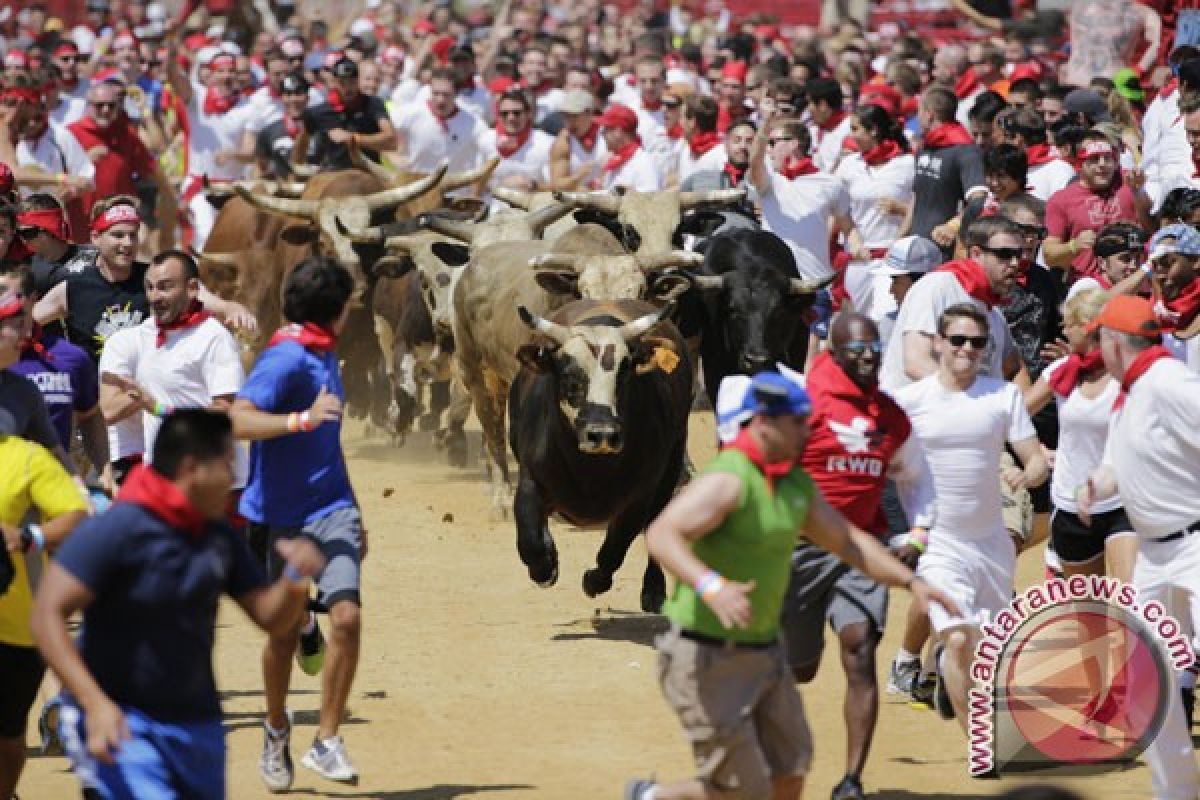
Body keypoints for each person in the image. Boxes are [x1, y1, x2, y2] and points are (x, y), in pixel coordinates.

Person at [624, 371, 957, 800]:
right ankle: (653, 797)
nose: (809, 430)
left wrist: (912, 582)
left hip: (764, 655)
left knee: (790, 772)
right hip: (706, 655)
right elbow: (662, 535)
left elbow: (850, 542)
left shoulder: (794, 484)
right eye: (798, 422)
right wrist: (712, 587)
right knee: (744, 789)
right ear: (764, 423)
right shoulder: (731, 479)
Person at [30, 410, 326, 800]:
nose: (235, 477)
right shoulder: (116, 530)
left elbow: (269, 619)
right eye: (226, 464)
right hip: (123, 723)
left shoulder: (217, 533)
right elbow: (47, 614)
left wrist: (293, 579)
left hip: (198, 726)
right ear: (191, 469)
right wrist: (94, 704)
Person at [777, 315, 935, 800]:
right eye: (857, 348)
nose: (868, 355)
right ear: (833, 351)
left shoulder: (890, 415)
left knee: (860, 650)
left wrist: (919, 534)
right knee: (798, 668)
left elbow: (917, 478)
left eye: (874, 346)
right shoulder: (802, 406)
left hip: (861, 547)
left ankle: (851, 781)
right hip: (799, 549)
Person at [230, 256, 367, 789]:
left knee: (348, 619)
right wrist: (298, 420)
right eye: (349, 304)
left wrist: (355, 507)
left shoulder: (324, 351)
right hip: (278, 519)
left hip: (332, 509)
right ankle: (276, 725)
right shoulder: (286, 358)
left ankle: (327, 741)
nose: (353, 311)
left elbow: (327, 444)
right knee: (284, 635)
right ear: (331, 311)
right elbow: (238, 419)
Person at [894, 303, 1047, 726]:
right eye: (957, 340)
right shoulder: (908, 401)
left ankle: (941, 673)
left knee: (985, 647)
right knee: (959, 637)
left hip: (992, 544)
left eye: (977, 343)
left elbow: (1032, 458)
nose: (967, 349)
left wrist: (1030, 473)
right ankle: (980, 743)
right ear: (938, 343)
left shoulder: (1003, 395)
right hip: (939, 541)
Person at [1079, 295, 1200, 800]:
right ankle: (1176, 794)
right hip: (1154, 555)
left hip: (1195, 542)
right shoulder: (1130, 391)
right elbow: (1116, 466)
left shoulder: (1168, 381)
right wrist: (1096, 486)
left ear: (1112, 341)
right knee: (1149, 684)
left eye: (1097, 340)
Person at [0, 405, 88, 800]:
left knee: (7, 735)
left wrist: (27, 537)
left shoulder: (26, 458)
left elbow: (75, 515)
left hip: (16, 629)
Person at [1022, 289, 1136, 582]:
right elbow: (1017, 415)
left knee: (1135, 600)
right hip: (1070, 499)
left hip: (1121, 499)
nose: (1062, 331)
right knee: (1088, 616)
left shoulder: (1126, 369)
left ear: (1086, 326)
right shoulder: (1061, 372)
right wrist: (1036, 451)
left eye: (1066, 324)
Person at [880, 215, 1025, 392]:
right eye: (1004, 254)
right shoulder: (937, 287)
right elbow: (916, 362)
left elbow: (1011, 368)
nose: (1015, 263)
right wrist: (968, 402)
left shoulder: (993, 314)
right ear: (976, 254)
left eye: (1018, 255)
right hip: (915, 416)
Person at [1, 261, 108, 484]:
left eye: (13, 298)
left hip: (50, 490)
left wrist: (105, 473)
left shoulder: (70, 359)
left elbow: (89, 417)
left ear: (33, 300)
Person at [749, 116, 856, 281]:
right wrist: (764, 127)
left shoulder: (831, 183)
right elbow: (754, 163)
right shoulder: (770, 181)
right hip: (773, 286)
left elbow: (848, 227)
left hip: (815, 283)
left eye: (772, 143)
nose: (768, 150)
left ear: (793, 144)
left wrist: (858, 249)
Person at [836, 103, 915, 319]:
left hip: (892, 258)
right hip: (859, 259)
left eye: (855, 129)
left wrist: (901, 209)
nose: (850, 136)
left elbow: (923, 206)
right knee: (857, 322)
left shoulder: (907, 164)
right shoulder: (849, 166)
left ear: (873, 131)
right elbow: (836, 208)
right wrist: (852, 241)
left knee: (885, 318)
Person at [1044, 132, 1153, 283]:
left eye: (1107, 158)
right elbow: (1049, 255)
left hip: (1135, 282)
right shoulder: (1062, 200)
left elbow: (1152, 229)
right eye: (1094, 159)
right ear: (1079, 164)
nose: (1102, 164)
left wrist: (1139, 192)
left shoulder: (1130, 182)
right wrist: (1073, 246)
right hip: (1089, 289)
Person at [908, 87, 987, 254]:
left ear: (929, 114)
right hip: (916, 247)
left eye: (919, 111)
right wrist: (901, 237)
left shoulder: (966, 151)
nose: (917, 117)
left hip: (946, 250)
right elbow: (916, 199)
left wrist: (953, 226)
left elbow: (980, 199)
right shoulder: (926, 147)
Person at [303, 57, 397, 172]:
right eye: (342, 83)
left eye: (352, 82)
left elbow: (391, 140)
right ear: (334, 82)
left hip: (369, 173)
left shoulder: (373, 104)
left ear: (358, 81)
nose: (348, 88)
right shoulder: (318, 113)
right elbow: (305, 147)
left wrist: (355, 139)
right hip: (332, 175)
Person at [391, 66, 486, 176]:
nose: (440, 100)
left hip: (452, 191)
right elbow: (375, 130)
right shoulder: (411, 113)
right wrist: (392, 156)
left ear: (457, 93)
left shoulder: (473, 124)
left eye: (446, 95)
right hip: (417, 187)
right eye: (436, 93)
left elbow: (493, 153)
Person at [481, 87, 554, 192]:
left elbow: (555, 186)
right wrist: (500, 184)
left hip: (532, 204)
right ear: (498, 115)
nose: (511, 118)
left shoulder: (546, 142)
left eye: (517, 113)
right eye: (504, 113)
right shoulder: (485, 140)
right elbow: (476, 185)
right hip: (495, 205)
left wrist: (534, 185)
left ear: (528, 113)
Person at [594, 103, 662, 191]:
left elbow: (650, 201)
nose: (603, 134)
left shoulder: (643, 162)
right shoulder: (615, 161)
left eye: (606, 129)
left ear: (618, 131)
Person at [547, 89, 606, 190]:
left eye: (574, 116)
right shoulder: (563, 142)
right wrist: (578, 176)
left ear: (589, 112)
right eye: (566, 116)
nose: (569, 122)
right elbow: (557, 184)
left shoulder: (607, 134)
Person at [806, 77, 852, 173]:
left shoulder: (850, 128)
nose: (808, 109)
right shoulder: (813, 130)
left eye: (810, 102)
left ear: (823, 105)